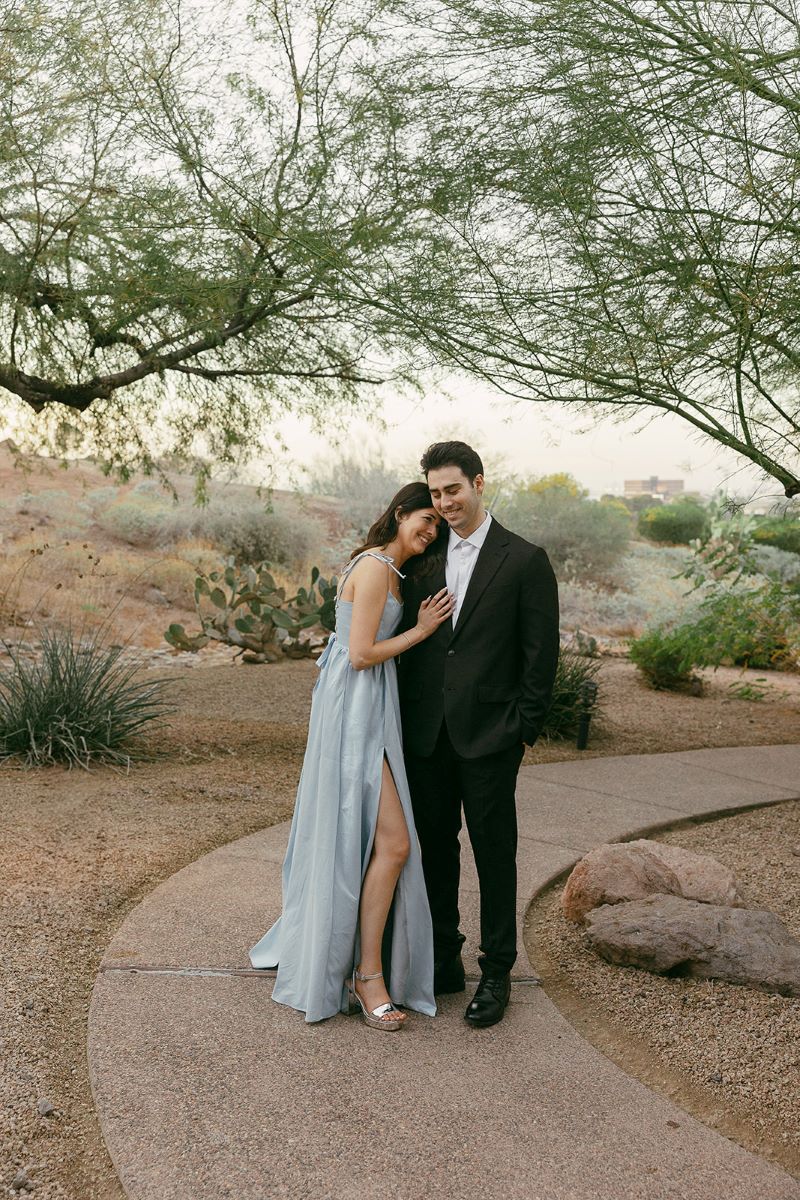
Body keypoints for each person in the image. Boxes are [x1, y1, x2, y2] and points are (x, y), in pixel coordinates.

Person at [249, 483, 454, 1029]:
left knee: (379, 842)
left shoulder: (392, 571)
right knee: (394, 842)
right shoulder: (374, 568)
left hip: (367, 707)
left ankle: (365, 969)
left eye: (437, 524)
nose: (430, 530)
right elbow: (361, 654)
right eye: (424, 519)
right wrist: (422, 630)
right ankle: (366, 975)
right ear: (400, 514)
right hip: (354, 711)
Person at [398, 442, 560, 1028]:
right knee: (434, 848)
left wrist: (522, 730)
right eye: (436, 494)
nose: (444, 504)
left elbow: (540, 656)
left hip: (492, 734)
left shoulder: (524, 560)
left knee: (495, 852)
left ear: (479, 483)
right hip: (427, 734)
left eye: (453, 490)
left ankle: (497, 972)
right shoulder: (423, 553)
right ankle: (444, 958)